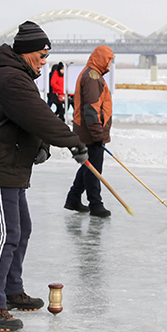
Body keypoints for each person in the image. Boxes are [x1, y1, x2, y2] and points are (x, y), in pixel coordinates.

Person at [0, 21, 88, 332]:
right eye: (42, 54)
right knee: (5, 234)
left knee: (21, 229)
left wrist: (44, 144)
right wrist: (73, 141)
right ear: (26, 52)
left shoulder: (15, 75)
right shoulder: (10, 78)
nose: (45, 60)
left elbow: (28, 119)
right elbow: (39, 116)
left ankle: (11, 290)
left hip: (10, 167)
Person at [64, 45, 114, 218]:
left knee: (88, 166)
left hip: (88, 131)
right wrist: (97, 134)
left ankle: (73, 198)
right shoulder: (92, 76)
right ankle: (96, 204)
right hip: (90, 133)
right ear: (101, 58)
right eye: (108, 60)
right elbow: (92, 109)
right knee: (94, 169)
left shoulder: (92, 74)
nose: (109, 63)